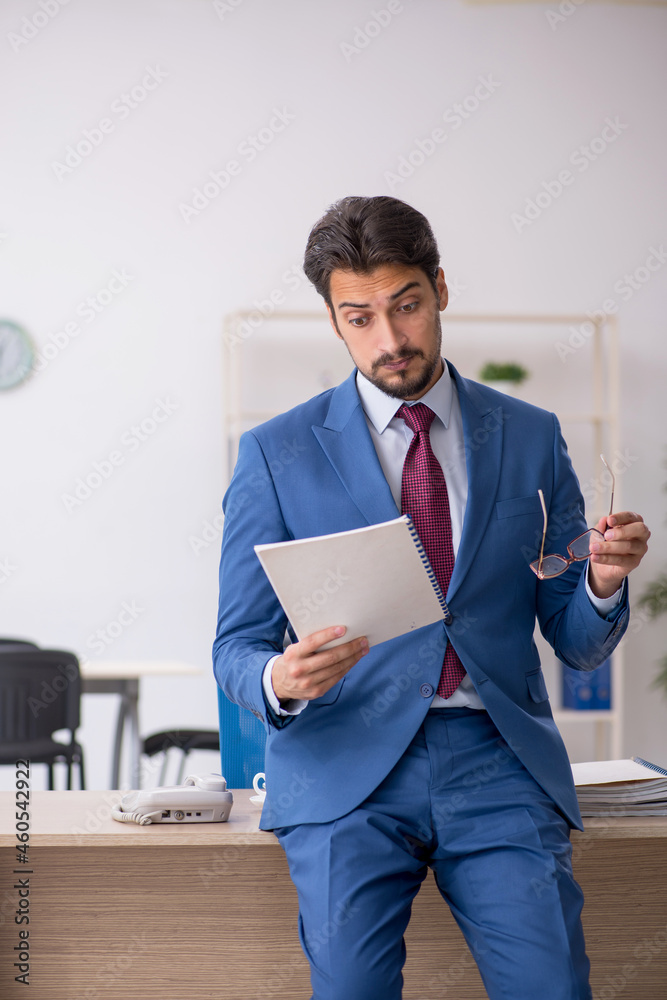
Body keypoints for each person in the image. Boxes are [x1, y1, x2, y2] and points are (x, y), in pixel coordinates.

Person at [213, 195, 650, 1000]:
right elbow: (234, 649)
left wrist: (600, 581)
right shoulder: (275, 454)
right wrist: (281, 679)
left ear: (440, 288)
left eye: (406, 306)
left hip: (498, 765)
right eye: (359, 317)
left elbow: (575, 639)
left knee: (552, 988)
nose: (389, 340)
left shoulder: (528, 433)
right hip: (345, 770)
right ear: (334, 321)